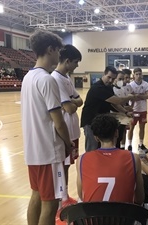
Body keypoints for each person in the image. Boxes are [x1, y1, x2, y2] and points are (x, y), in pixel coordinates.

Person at [21, 30, 73, 225]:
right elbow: (58, 121)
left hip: (32, 151)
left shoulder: (28, 77)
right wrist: (68, 143)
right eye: (58, 50)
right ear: (50, 49)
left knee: (36, 195)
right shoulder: (47, 79)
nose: (60, 55)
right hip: (48, 152)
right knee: (50, 204)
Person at [76, 114, 144, 205]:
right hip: (124, 218)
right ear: (116, 133)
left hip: (93, 217)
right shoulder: (133, 158)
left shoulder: (82, 159)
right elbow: (140, 198)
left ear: (96, 138)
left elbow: (82, 195)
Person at [51, 44, 83, 206]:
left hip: (73, 130)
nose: (77, 66)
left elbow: (80, 100)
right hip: (66, 132)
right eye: (76, 62)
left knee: (68, 164)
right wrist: (73, 101)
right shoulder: (55, 79)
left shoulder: (66, 78)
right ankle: (61, 200)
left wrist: (72, 101)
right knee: (62, 166)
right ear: (68, 61)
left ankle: (64, 196)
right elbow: (69, 107)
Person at [80, 66, 134, 152]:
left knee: (100, 147)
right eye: (109, 77)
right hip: (90, 121)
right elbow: (117, 100)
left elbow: (114, 103)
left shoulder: (108, 87)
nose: (110, 80)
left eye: (113, 79)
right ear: (104, 74)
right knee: (92, 148)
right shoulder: (97, 87)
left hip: (100, 121)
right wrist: (128, 97)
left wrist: (126, 112)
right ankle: (88, 164)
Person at [127, 67, 148, 152]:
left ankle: (141, 144)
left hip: (143, 110)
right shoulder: (130, 85)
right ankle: (129, 144)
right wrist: (142, 95)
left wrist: (137, 95)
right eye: (136, 74)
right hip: (133, 110)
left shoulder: (145, 84)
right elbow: (131, 98)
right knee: (131, 127)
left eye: (140, 74)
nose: (138, 76)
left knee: (142, 128)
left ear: (142, 74)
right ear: (134, 75)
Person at [112, 70, 133, 149]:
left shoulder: (122, 89)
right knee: (114, 137)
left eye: (122, 79)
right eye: (120, 79)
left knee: (120, 135)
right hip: (115, 117)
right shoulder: (112, 89)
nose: (122, 81)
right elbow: (115, 103)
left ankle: (121, 148)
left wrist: (127, 108)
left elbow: (124, 103)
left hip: (123, 116)